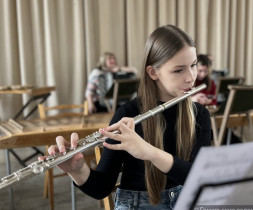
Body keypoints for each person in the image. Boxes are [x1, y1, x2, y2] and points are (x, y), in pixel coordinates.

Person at [45, 25, 211, 209]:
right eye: (179, 70)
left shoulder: (199, 115)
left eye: (193, 65)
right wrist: (77, 171)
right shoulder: (128, 114)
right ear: (153, 72)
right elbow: (101, 188)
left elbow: (199, 177)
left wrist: (149, 152)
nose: (191, 77)